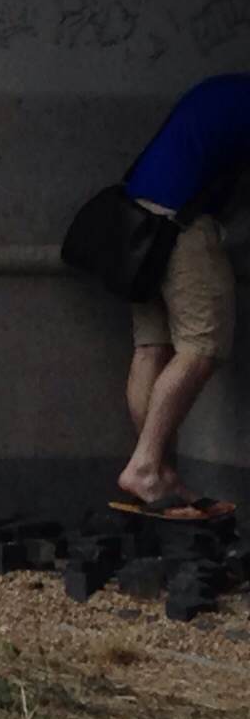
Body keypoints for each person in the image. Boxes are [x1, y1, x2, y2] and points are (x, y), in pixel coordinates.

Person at [116, 75, 250, 513]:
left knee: (152, 347)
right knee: (201, 348)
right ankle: (146, 467)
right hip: (182, 227)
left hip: (137, 227)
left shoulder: (221, 90)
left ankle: (161, 477)